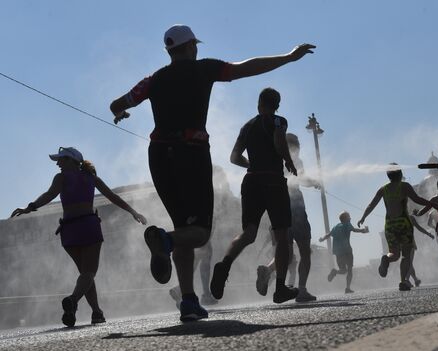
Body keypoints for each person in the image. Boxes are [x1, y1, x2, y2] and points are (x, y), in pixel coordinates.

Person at [109, 24, 314, 320]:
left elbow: (117, 103)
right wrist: (288, 57)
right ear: (191, 45)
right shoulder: (204, 69)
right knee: (199, 234)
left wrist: (120, 112)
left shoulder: (153, 80)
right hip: (190, 153)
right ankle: (164, 241)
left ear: (169, 50)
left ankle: (189, 301)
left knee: (183, 227)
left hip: (158, 156)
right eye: (196, 45)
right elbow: (247, 67)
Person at [10, 147, 147, 327]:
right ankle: (73, 300)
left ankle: (96, 312)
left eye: (62, 160)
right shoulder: (91, 178)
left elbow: (49, 195)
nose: (58, 163)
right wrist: (133, 212)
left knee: (85, 274)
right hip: (88, 226)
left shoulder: (61, 178)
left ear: (73, 161)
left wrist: (30, 207)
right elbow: (112, 197)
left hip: (69, 230)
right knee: (88, 273)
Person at [210, 88, 299, 304]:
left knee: (248, 233)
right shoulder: (278, 120)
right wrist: (288, 159)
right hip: (273, 182)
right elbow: (279, 141)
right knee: (282, 237)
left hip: (251, 182)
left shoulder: (247, 126)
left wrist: (252, 165)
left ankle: (224, 265)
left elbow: (234, 157)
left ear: (258, 102)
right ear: (277, 105)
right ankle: (279, 288)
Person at [256, 133, 319, 302]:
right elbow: (301, 178)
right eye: (296, 144)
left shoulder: (273, 159)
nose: (298, 148)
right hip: (296, 210)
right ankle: (303, 290)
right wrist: (315, 182)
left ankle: (268, 271)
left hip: (278, 208)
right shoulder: (295, 161)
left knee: (286, 253)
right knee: (305, 250)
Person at [358, 164, 434, 291]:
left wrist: (363, 217)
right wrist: (430, 203)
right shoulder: (404, 186)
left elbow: (372, 204)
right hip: (404, 223)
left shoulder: (383, 189)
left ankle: (386, 258)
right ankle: (403, 281)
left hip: (390, 225)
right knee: (405, 255)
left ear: (388, 176)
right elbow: (418, 199)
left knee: (394, 254)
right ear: (400, 174)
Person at [319, 211, 368, 294]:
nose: (350, 218)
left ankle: (335, 272)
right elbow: (355, 230)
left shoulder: (336, 227)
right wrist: (363, 230)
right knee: (349, 270)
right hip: (347, 251)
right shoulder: (347, 224)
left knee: (343, 270)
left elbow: (328, 234)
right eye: (349, 217)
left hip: (338, 253)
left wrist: (322, 239)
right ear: (345, 218)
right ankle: (347, 288)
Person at [404, 215, 436, 288]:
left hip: (403, 243)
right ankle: (410, 280)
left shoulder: (398, 217)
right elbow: (419, 228)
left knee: (408, 262)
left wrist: (428, 234)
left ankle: (410, 280)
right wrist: (428, 234)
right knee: (409, 262)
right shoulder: (410, 217)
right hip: (409, 242)